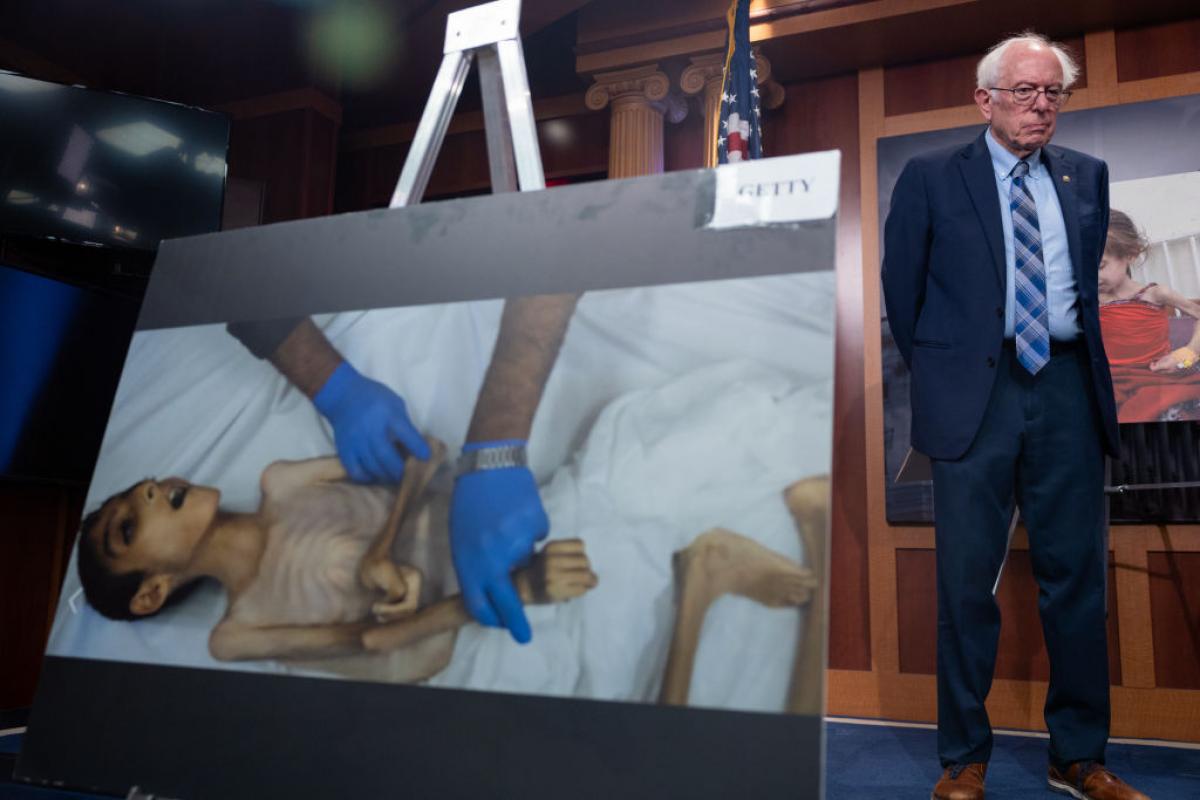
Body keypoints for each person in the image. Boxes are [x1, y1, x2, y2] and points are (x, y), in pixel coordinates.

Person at [881, 32, 1149, 800]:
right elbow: (904, 295)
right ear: (985, 99)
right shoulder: (932, 175)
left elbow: (1085, 291)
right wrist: (952, 374)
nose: (1041, 105)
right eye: (1025, 91)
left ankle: (1079, 757)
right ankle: (963, 756)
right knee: (967, 586)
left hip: (1067, 389)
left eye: (1053, 92)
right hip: (977, 396)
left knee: (1077, 583)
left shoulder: (1085, 174)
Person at [228, 294, 579, 645]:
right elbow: (375, 642)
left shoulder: (278, 483)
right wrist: (522, 588)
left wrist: (496, 448)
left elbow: (425, 456)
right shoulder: (232, 635)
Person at [1098, 209, 1200, 421]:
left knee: (1164, 402)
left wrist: (1189, 353)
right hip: (1111, 378)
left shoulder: (1155, 294)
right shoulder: (1089, 301)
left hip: (1154, 373)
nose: (1091, 275)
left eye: (1100, 266)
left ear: (1130, 254)